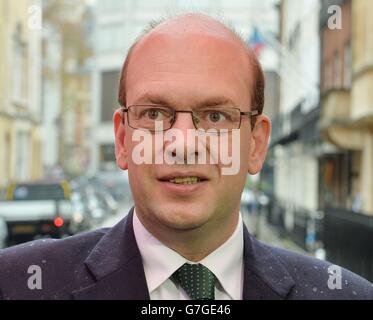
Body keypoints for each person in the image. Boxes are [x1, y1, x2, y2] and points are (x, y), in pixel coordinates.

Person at [0, 13, 372, 300]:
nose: (182, 142)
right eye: (155, 114)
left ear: (256, 145)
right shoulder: (16, 284)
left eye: (215, 117)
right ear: (122, 139)